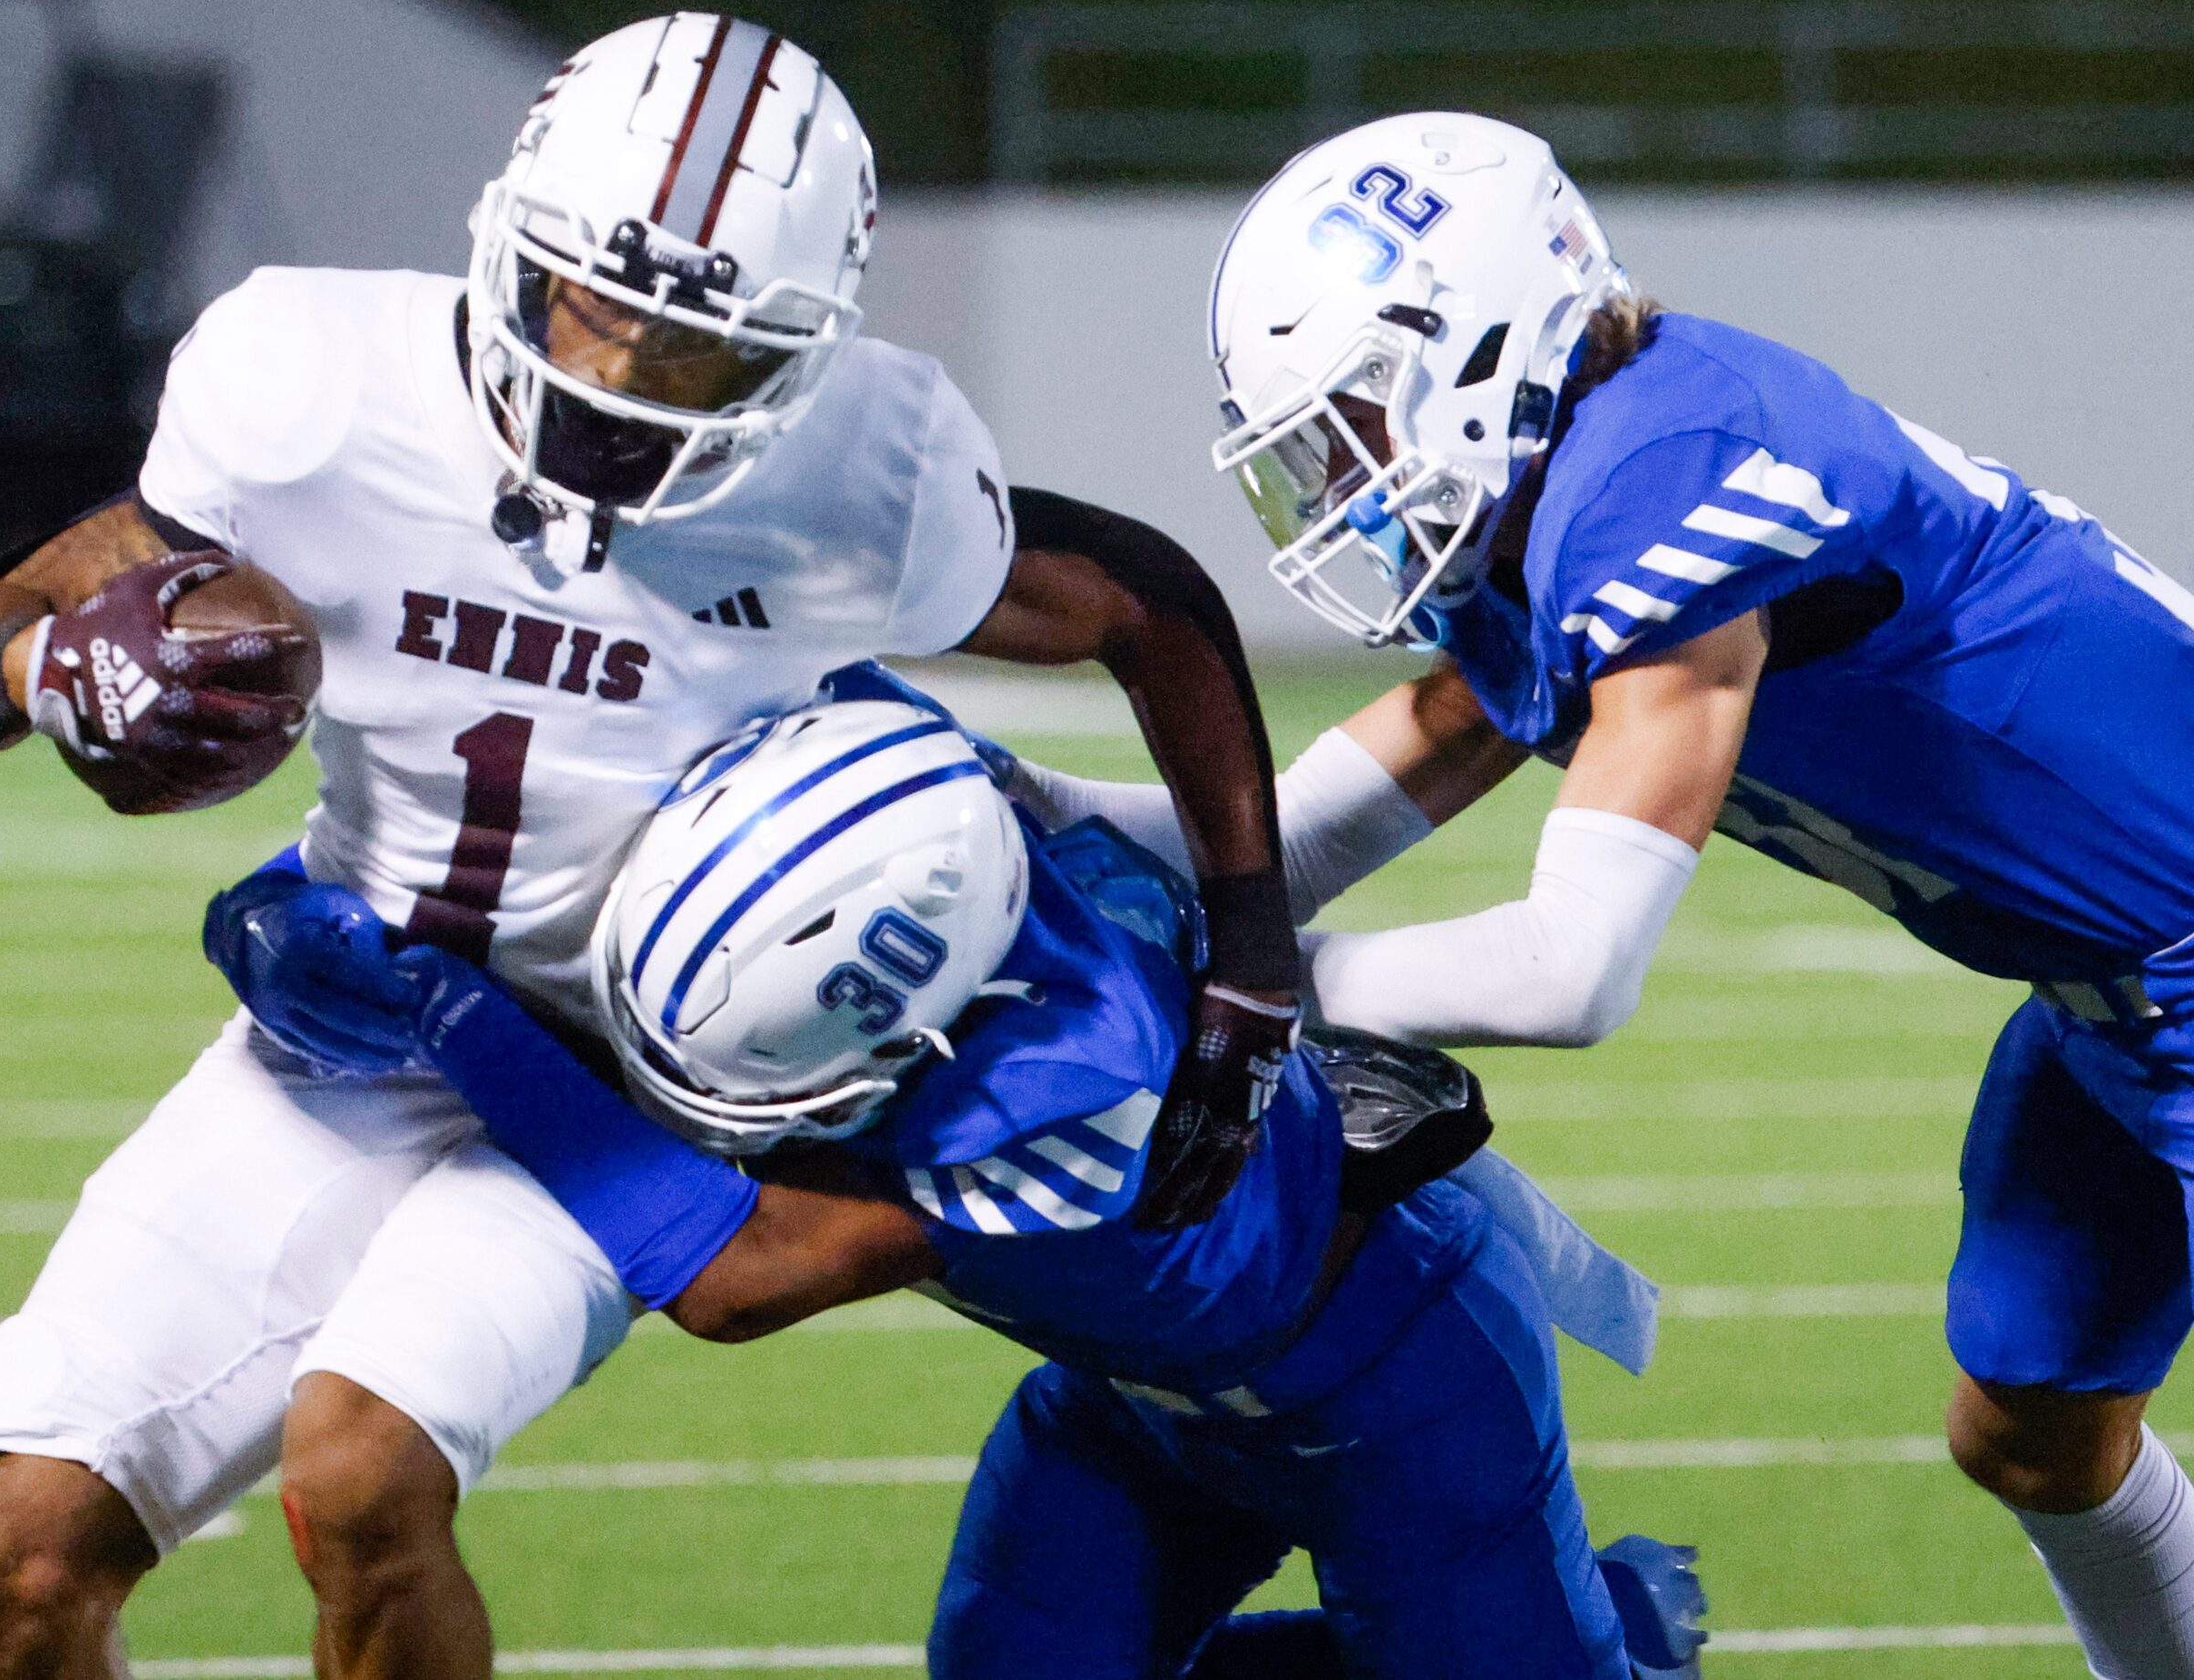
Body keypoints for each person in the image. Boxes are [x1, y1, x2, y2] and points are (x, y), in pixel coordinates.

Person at [0, 16, 1302, 1680]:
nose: (623, 380)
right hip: (343, 1013)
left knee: (360, 1481)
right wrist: (40, 671)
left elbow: (1146, 600)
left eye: (697, 348)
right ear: (508, 249)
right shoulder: (307, 386)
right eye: (597, 305)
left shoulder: (861, 479)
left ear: (801, 352)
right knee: (10, 1556)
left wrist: (1252, 945)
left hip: (620, 1069)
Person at [1008, 109, 2194, 1678]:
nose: (1342, 480)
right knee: (2035, 1428)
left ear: (1480, 339)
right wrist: (1012, 825)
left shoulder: (1662, 469)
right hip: (2115, 998)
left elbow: (1570, 968)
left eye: (1354, 422)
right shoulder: (1567, 492)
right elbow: (1294, 836)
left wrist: (1232, 998)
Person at [333, 694, 1705, 1677]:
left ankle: (1609, 1636)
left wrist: (441, 1009)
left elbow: (738, 1275)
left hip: (1398, 1388)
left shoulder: (1074, 1105)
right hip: (1136, 1399)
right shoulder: (944, 852)